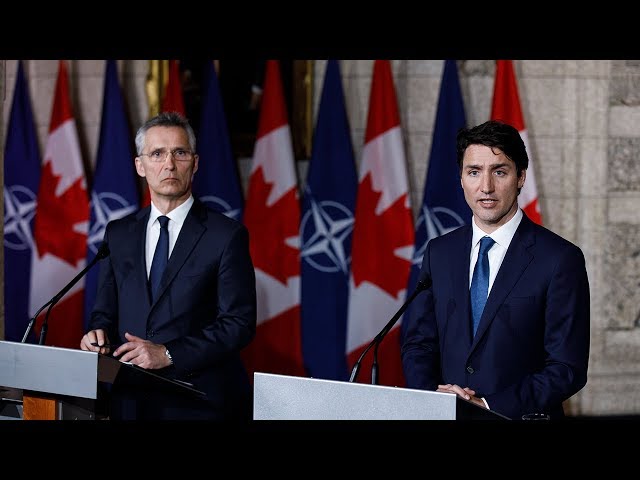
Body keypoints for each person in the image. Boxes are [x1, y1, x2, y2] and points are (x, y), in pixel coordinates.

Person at [401, 120, 590, 420]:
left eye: (499, 171)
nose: (485, 187)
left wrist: (488, 406)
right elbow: (418, 344)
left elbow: (567, 368)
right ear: (461, 178)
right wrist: (434, 396)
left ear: (520, 177)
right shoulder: (440, 252)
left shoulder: (560, 259)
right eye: (474, 172)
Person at [80, 112, 257, 420]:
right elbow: (104, 312)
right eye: (157, 153)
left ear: (196, 162)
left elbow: (238, 324)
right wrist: (97, 335)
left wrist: (168, 353)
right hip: (130, 400)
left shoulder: (226, 235)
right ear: (140, 165)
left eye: (180, 152)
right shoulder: (118, 233)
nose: (169, 164)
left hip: (197, 403)